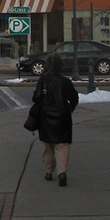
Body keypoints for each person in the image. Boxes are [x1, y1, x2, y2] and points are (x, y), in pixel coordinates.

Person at [32, 53, 80, 186]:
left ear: (47, 65)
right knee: (62, 146)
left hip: (46, 117)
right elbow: (74, 98)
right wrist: (69, 108)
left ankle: (49, 171)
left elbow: (36, 98)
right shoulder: (65, 82)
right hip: (63, 116)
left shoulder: (43, 80)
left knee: (48, 146)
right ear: (60, 66)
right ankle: (62, 172)